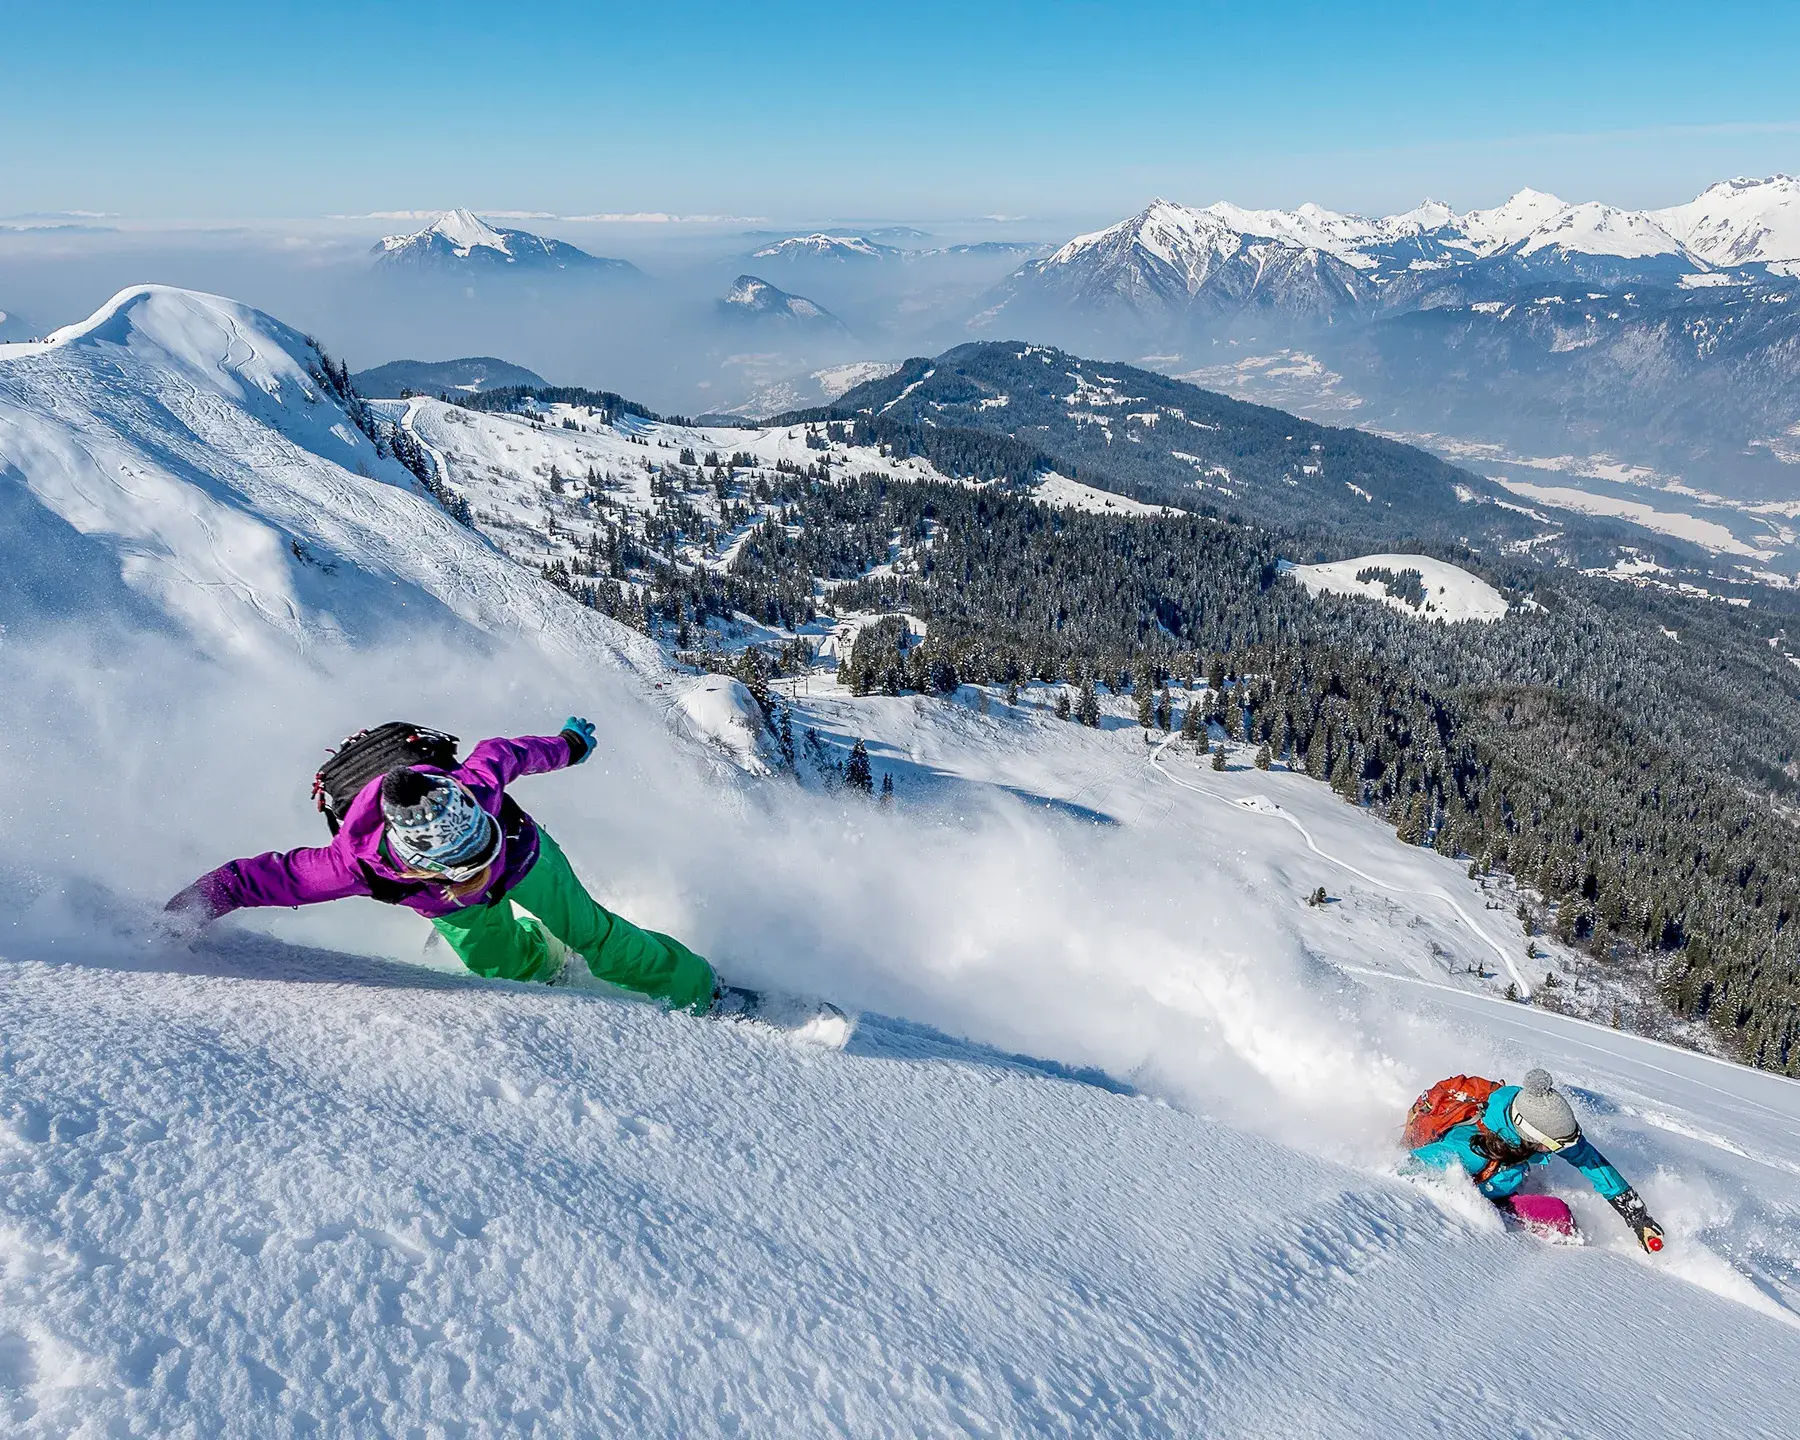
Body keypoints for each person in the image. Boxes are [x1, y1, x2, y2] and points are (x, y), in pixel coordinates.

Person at [162, 719, 718, 1011]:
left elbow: (507, 752)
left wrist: (569, 744)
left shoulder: (474, 792)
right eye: (472, 866)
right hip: (448, 906)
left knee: (600, 935)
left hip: (529, 856)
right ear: (423, 867)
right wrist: (180, 915)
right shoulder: (353, 866)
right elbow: (249, 880)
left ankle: (697, 988)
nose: (485, 867)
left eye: (484, 844)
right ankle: (547, 965)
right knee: (498, 963)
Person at [1404, 1069, 1664, 1252]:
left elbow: (1588, 1159)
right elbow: (1406, 1171)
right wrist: (1467, 1205)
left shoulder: (1536, 1123)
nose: (1561, 1150)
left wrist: (1638, 1218)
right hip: (1484, 1197)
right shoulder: (1468, 1152)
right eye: (1556, 1145)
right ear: (1530, 1135)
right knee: (1557, 1218)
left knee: (1560, 1218)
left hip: (1500, 1183)